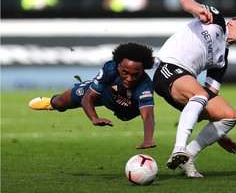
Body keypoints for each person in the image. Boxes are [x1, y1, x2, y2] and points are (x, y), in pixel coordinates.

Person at [153, 0, 236, 177]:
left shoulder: (221, 60)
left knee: (229, 116)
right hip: (168, 69)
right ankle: (179, 148)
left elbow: (211, 93)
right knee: (200, 95)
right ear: (232, 22)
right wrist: (198, 9)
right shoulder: (216, 20)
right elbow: (185, 1)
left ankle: (188, 156)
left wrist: (219, 133)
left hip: (186, 85)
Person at [29, 42, 157, 150]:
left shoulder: (145, 86)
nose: (129, 78)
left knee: (124, 116)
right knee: (60, 103)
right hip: (104, 94)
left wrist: (148, 140)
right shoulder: (110, 69)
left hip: (127, 109)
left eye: (135, 74)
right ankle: (50, 103)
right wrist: (94, 118)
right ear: (118, 66)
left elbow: (147, 115)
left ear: (143, 71)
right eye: (125, 72)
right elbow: (87, 98)